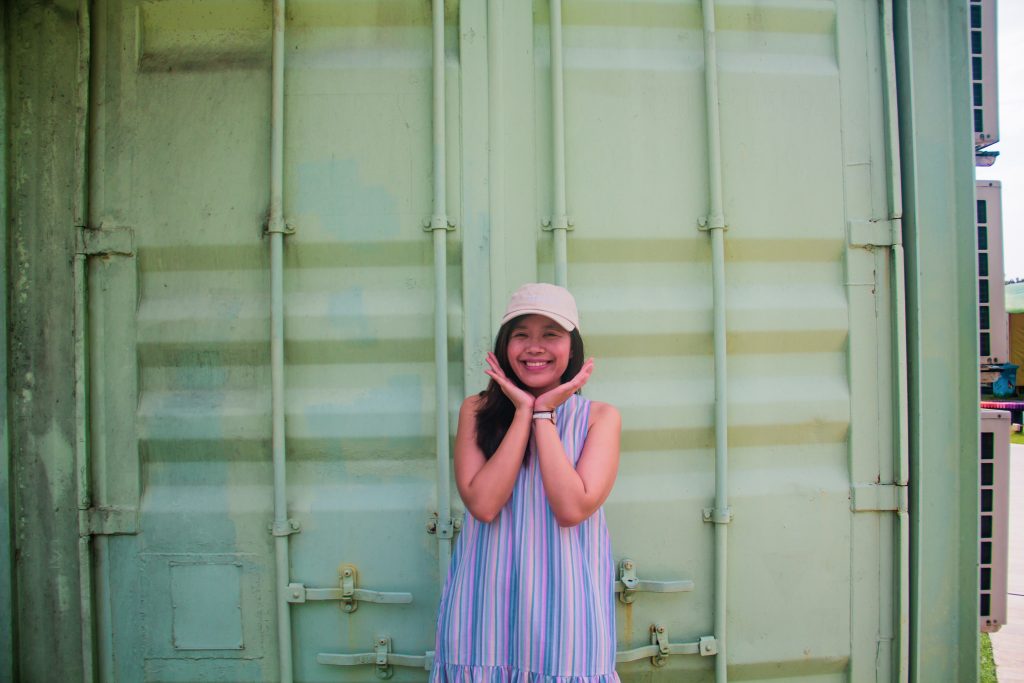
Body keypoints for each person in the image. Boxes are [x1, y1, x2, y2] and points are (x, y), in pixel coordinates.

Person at [430, 283, 622, 682]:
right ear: (505, 346)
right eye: (522, 335)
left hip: (567, 617)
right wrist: (522, 412)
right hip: (484, 614)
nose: (535, 347)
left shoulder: (599, 418)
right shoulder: (476, 410)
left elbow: (571, 509)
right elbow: (484, 505)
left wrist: (544, 415)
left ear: (572, 347)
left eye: (550, 334)